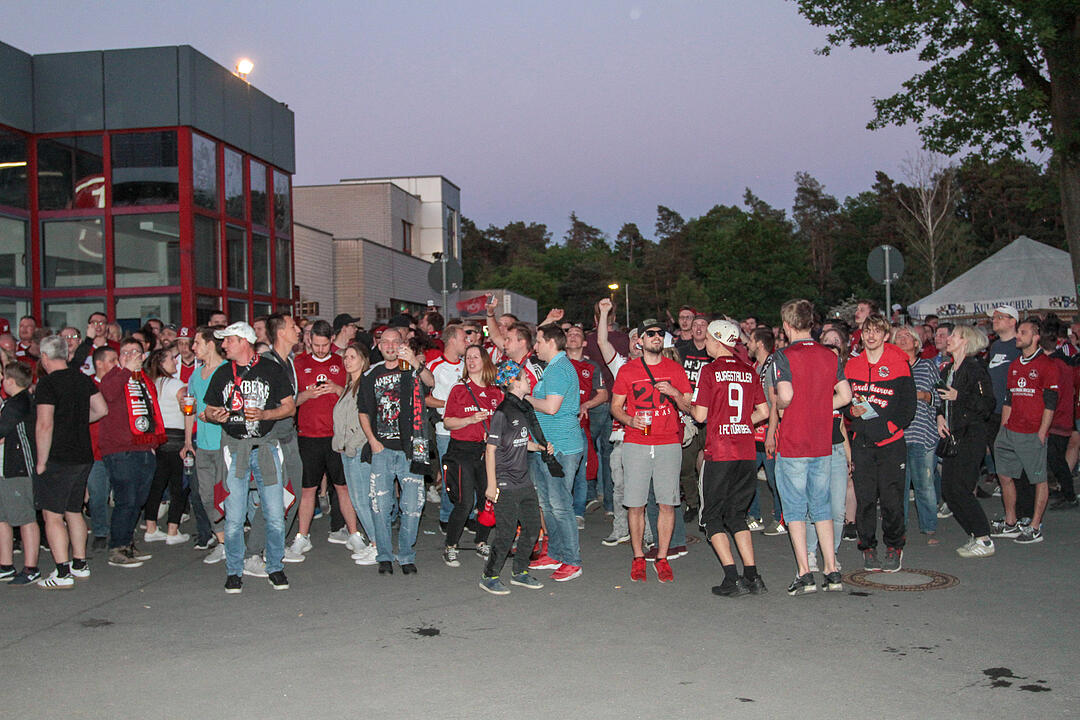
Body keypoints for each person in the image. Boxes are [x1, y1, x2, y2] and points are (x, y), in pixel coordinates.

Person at [203, 322, 296, 593]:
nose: (224, 345)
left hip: (266, 447)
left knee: (275, 513)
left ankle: (275, 566)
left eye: (228, 341)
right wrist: (214, 415)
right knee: (234, 516)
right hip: (235, 449)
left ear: (243, 341)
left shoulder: (271, 369)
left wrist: (265, 415)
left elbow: (289, 408)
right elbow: (209, 410)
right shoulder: (222, 373)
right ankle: (234, 570)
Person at [772, 299, 851, 596]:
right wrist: (820, 406)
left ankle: (805, 572)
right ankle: (832, 569)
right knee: (821, 505)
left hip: (794, 441)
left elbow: (788, 396)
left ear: (787, 325)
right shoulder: (830, 355)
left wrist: (777, 402)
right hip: (821, 441)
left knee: (794, 508)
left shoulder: (784, 356)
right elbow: (846, 395)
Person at [691, 320, 770, 597]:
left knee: (712, 517)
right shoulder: (749, 371)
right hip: (746, 450)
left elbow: (699, 415)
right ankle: (753, 575)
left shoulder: (710, 371)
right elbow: (764, 410)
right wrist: (742, 424)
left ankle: (731, 577)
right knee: (737, 515)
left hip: (720, 451)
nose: (707, 344)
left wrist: (686, 401)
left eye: (710, 339)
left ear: (717, 341)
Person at [610, 318, 692, 583]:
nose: (657, 337)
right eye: (651, 334)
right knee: (636, 504)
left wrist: (674, 392)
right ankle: (637, 556)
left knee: (667, 502)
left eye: (660, 333)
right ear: (640, 341)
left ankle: (662, 557)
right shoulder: (628, 371)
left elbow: (689, 407)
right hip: (637, 441)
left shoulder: (675, 369)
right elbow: (615, 406)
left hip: (668, 441)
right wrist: (629, 420)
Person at [33, 335, 108, 588]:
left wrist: (41, 462)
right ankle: (80, 563)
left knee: (52, 514)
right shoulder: (82, 378)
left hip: (58, 456)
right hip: (82, 454)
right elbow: (101, 410)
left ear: (44, 357)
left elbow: (45, 424)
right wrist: (76, 421)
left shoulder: (47, 383)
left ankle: (62, 571)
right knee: (74, 510)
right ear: (66, 354)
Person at [844, 313, 916, 572]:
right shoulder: (852, 366)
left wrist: (890, 426)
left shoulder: (899, 363)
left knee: (891, 500)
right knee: (864, 499)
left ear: (886, 335)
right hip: (862, 443)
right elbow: (844, 403)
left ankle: (894, 546)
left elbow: (909, 406)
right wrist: (851, 413)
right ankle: (868, 547)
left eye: (876, 331)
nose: (871, 336)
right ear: (861, 335)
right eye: (867, 331)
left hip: (891, 444)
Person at [290, 320, 362, 556]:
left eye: (324, 345)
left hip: (336, 436)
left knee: (343, 487)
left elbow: (354, 396)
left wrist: (335, 389)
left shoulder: (341, 362)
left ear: (331, 340)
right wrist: (306, 394)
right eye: (316, 345)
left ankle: (353, 534)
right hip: (308, 435)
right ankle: (302, 536)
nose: (321, 350)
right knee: (308, 488)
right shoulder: (298, 363)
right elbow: (290, 403)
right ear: (309, 340)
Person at [359, 327, 427, 575]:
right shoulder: (371, 374)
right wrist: (372, 440)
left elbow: (430, 383)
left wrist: (414, 363)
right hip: (382, 450)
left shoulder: (411, 369)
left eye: (394, 342)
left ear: (402, 344)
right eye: (384, 342)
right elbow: (363, 410)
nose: (389, 346)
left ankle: (407, 556)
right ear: (378, 346)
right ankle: (384, 556)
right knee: (380, 505)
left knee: (412, 506)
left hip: (412, 449)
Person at [478, 360, 549, 595]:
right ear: (513, 382)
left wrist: (539, 447)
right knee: (506, 533)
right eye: (524, 376)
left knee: (531, 528)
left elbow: (518, 442)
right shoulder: (502, 412)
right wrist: (491, 484)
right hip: (505, 482)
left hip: (523, 480)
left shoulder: (520, 408)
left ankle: (520, 572)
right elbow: (491, 449)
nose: (529, 379)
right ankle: (490, 575)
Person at [526, 323, 587, 582]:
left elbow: (551, 407)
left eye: (538, 341)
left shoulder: (559, 369)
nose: (535, 346)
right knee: (548, 504)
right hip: (546, 446)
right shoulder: (553, 369)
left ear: (551, 342)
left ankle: (572, 561)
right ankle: (555, 553)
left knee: (560, 505)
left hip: (561, 447)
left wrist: (525, 397)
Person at [97, 337, 165, 569]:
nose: (130, 357)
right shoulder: (114, 376)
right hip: (120, 448)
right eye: (125, 353)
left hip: (143, 446)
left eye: (134, 352)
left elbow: (151, 411)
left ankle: (127, 541)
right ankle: (117, 546)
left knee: (138, 500)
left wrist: (153, 443)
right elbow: (108, 393)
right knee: (126, 499)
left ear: (143, 356)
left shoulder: (145, 379)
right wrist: (125, 371)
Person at [992, 318, 1058, 544]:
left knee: (1038, 479)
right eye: (1018, 332)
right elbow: (1009, 400)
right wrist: (1003, 429)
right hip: (1010, 430)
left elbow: (1051, 403)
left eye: (1023, 332)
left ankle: (1035, 526)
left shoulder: (1047, 365)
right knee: (1005, 476)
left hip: (1032, 432)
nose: (1018, 336)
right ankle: (1011, 521)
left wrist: (1042, 432)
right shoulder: (1015, 364)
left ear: (1036, 336)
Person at [936, 325, 997, 557]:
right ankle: (975, 534)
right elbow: (941, 402)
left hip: (971, 436)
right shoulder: (948, 370)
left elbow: (987, 404)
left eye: (954, 335)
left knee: (960, 488)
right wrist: (939, 416)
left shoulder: (975, 369)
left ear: (965, 341)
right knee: (949, 490)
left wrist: (958, 396)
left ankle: (984, 538)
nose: (948, 339)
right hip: (953, 435)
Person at [441, 345, 503, 566]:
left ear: (485, 361)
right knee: (465, 502)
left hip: (486, 452)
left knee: (489, 499)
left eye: (476, 356)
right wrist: (469, 420)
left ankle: (481, 541)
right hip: (462, 451)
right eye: (468, 357)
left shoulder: (496, 392)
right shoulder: (459, 389)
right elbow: (447, 422)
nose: (471, 360)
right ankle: (450, 545)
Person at [892, 325, 941, 543]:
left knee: (924, 484)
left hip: (922, 433)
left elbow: (939, 398)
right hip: (897, 435)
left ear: (916, 343)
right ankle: (898, 529)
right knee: (899, 486)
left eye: (907, 336)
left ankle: (929, 527)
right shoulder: (891, 368)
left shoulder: (928, 366)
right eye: (898, 337)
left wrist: (923, 395)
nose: (902, 339)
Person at [331, 342, 378, 566]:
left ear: (363, 359)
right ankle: (375, 543)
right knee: (358, 499)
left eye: (352, 357)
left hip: (359, 449)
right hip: (346, 449)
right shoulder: (349, 385)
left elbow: (366, 417)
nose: (347, 360)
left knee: (363, 500)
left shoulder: (365, 385)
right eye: (345, 357)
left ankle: (378, 544)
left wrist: (359, 442)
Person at [184, 327, 227, 561]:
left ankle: (235, 541)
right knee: (206, 495)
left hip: (224, 444)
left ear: (211, 344)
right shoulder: (195, 374)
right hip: (203, 445)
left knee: (228, 495)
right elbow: (190, 408)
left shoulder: (226, 371)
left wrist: (214, 414)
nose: (193, 348)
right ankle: (221, 540)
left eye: (197, 343)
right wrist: (187, 441)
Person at [141, 350, 190, 545]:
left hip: (159, 438)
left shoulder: (151, 384)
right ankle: (173, 530)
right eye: (171, 359)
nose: (175, 362)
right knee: (178, 485)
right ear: (161, 362)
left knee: (157, 484)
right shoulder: (176, 385)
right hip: (176, 437)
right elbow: (187, 408)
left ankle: (151, 527)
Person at [0, 362, 42, 585]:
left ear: (10, 381)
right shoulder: (15, 402)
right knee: (3, 518)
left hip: (19, 468)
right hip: (7, 468)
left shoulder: (18, 403)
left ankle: (31, 567)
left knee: (25, 518)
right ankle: (5, 564)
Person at [428, 324, 467, 528]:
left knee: (467, 475)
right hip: (445, 431)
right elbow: (424, 398)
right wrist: (449, 405)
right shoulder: (434, 366)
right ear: (451, 340)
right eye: (463, 339)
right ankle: (446, 516)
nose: (467, 343)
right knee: (448, 476)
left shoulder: (467, 365)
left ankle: (468, 516)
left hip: (468, 428)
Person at [675, 314, 711, 522]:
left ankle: (709, 503)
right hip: (687, 413)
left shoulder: (713, 353)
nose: (698, 328)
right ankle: (692, 503)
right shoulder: (683, 351)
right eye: (695, 325)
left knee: (708, 463)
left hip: (708, 415)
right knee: (685, 464)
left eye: (702, 325)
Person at [86, 345, 119, 550]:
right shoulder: (86, 384)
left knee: (123, 494)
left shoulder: (120, 384)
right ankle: (100, 531)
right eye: (112, 360)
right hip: (94, 449)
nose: (117, 365)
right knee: (98, 493)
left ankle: (121, 532)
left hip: (117, 448)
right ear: (98, 363)